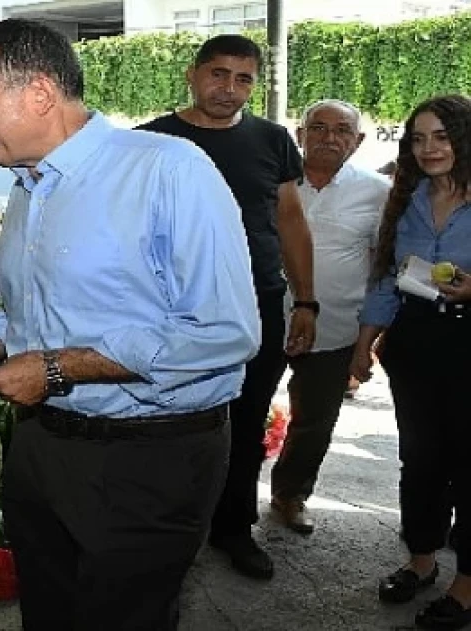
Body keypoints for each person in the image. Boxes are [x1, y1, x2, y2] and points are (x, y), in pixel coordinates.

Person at [0, 19, 260, 630]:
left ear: (39, 94)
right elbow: (40, 309)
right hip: (42, 447)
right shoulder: (28, 186)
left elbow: (224, 331)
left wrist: (56, 368)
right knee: (49, 613)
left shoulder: (169, 171)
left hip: (149, 459)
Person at [137, 34, 317, 580]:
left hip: (256, 304)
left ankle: (233, 529)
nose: (229, 88)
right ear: (192, 75)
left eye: (243, 78)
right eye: (218, 74)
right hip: (169, 310)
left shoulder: (272, 139)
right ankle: (159, 531)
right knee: (166, 419)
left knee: (245, 421)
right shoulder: (148, 143)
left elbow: (289, 221)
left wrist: (305, 300)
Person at [354, 95, 471, 630]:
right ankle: (420, 561)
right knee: (421, 462)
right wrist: (363, 345)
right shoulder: (407, 198)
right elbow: (385, 276)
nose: (428, 149)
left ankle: (465, 584)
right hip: (417, 343)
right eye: (418, 138)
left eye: (441, 137)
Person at [267, 99, 391, 535]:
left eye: (341, 130)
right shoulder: (272, 182)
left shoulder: (378, 192)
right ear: (299, 135)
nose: (329, 137)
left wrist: (370, 339)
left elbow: (382, 266)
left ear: (357, 142)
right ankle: (229, 502)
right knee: (242, 415)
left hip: (336, 326)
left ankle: (290, 494)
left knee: (315, 420)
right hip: (264, 321)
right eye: (317, 128)